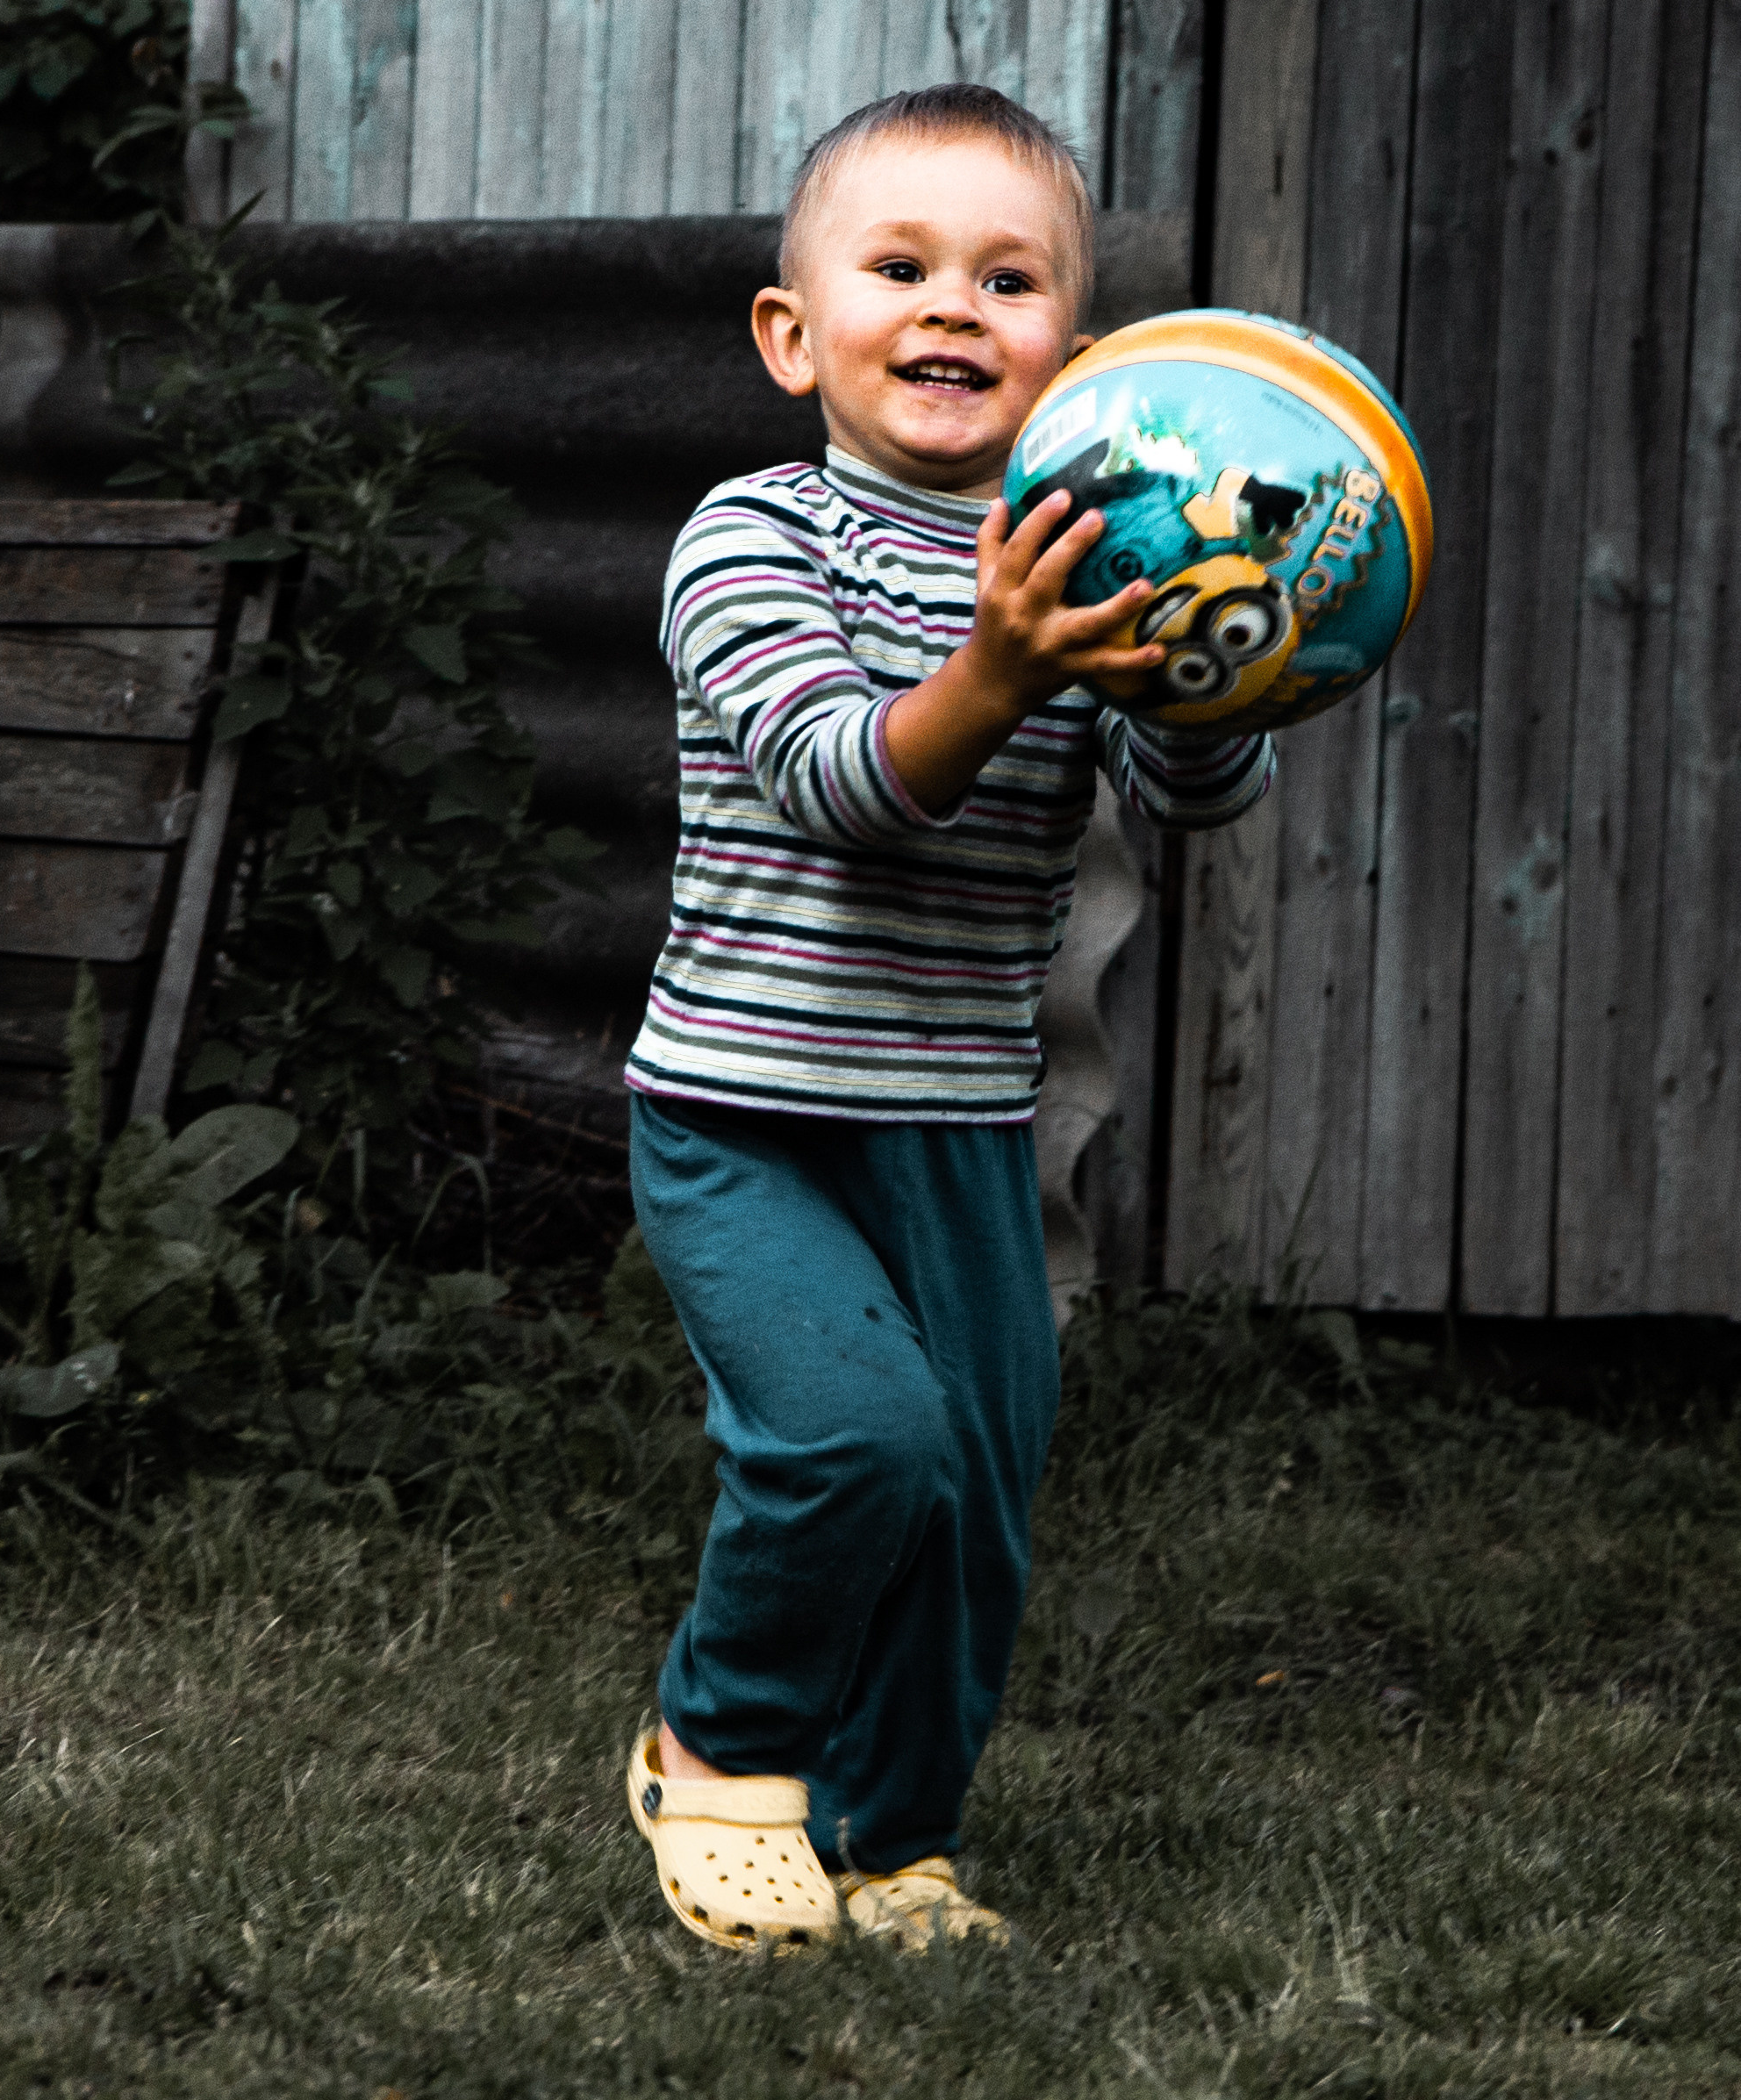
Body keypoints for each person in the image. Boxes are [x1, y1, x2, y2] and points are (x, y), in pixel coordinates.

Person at [623, 83, 1274, 1954]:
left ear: (1073, 348)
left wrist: (1221, 668)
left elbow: (1192, 802)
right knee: (854, 1437)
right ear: (789, 331)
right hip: (746, 1111)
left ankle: (894, 1837)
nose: (950, 309)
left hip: (965, 1117)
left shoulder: (1100, 554)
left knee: (975, 1487)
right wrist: (1004, 661)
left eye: (1008, 279)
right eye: (897, 267)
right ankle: (716, 1747)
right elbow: (843, 783)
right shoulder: (750, 539)